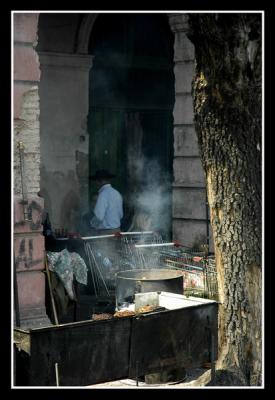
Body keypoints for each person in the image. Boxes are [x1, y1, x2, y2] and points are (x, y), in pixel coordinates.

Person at [88, 169, 123, 234]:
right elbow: (120, 215)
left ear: (98, 181)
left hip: (106, 233)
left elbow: (99, 217)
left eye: (96, 181)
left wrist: (91, 224)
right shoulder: (117, 193)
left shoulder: (103, 194)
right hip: (117, 231)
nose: (95, 183)